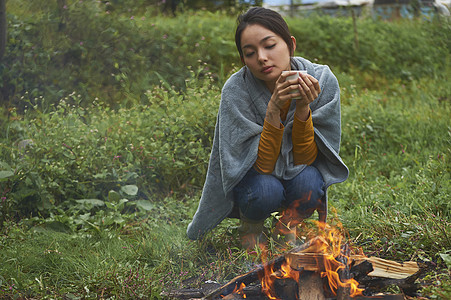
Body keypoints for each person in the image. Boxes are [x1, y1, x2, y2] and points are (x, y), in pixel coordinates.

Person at [186, 7, 348, 248]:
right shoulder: (236, 90)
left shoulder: (321, 79)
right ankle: (250, 227)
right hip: (256, 180)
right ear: (243, 59)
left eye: (269, 46)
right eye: (250, 53)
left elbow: (307, 157)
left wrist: (303, 107)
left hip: (299, 172)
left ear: (290, 45)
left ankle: (287, 226)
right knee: (266, 188)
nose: (261, 57)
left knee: (311, 182)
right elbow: (261, 166)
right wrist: (273, 110)